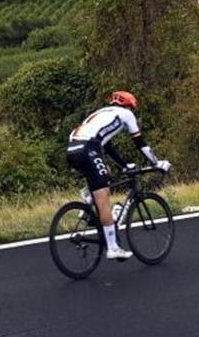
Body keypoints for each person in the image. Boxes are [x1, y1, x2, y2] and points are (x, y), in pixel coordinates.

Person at [66, 91, 172, 261]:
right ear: (129, 106)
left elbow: (107, 147)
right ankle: (113, 248)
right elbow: (140, 144)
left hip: (72, 149)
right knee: (104, 197)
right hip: (88, 148)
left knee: (103, 175)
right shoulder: (126, 114)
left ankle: (89, 203)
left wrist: (124, 165)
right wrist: (156, 163)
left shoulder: (101, 113)